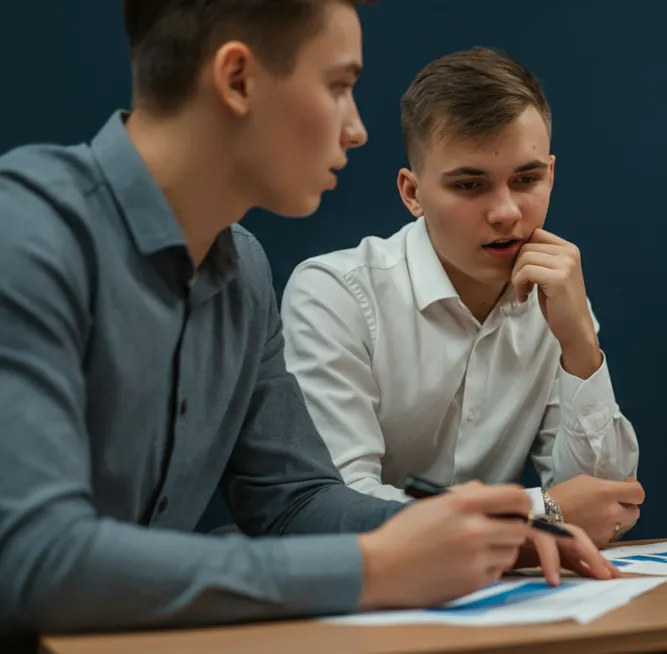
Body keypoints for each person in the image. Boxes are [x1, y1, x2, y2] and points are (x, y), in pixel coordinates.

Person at [0, 0, 615, 638]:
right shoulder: (26, 233)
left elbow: (295, 501)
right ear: (237, 80)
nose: (356, 129)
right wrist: (371, 565)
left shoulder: (244, 269)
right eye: (339, 86)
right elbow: (34, 560)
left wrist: (498, 535)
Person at [279, 46, 644, 547]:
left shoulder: (556, 297)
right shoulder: (334, 295)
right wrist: (544, 511)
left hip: (498, 595)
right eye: (470, 184)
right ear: (412, 193)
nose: (505, 212)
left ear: (551, 174)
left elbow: (609, 508)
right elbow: (342, 508)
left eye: (527, 179)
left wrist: (581, 344)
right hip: (362, 597)